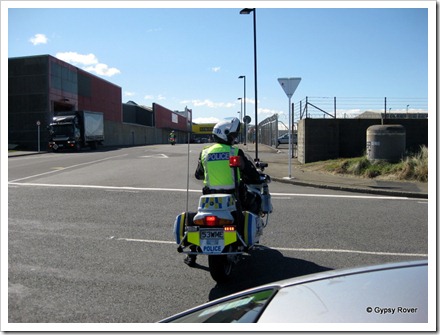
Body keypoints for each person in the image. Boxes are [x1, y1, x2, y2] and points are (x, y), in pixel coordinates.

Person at [184, 118, 262, 266]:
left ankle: (192, 254)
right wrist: (254, 176)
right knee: (255, 200)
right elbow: (251, 173)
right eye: (232, 135)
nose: (234, 138)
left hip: (210, 198)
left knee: (198, 221)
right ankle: (248, 239)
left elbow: (198, 175)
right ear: (226, 135)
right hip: (234, 197)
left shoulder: (205, 153)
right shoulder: (234, 151)